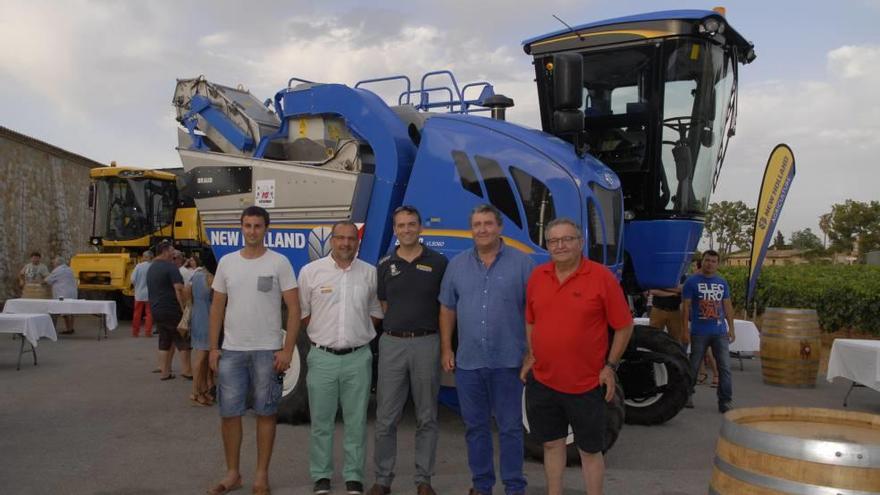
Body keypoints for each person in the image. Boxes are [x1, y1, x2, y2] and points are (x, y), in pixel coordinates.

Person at [520, 218, 633, 495]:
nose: (561, 245)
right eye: (554, 241)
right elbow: (531, 320)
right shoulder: (538, 276)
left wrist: (610, 366)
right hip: (544, 381)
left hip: (586, 384)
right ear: (547, 246)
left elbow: (624, 326)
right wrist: (531, 353)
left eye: (567, 239)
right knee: (551, 444)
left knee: (590, 450)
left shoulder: (601, 277)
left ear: (580, 243)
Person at [439, 204, 534, 495]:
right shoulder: (456, 264)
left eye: (488, 224)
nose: (482, 229)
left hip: (509, 362)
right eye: (477, 224)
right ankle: (482, 486)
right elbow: (447, 308)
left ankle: (514, 487)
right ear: (472, 229)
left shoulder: (523, 263)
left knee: (510, 429)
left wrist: (532, 352)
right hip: (469, 363)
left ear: (500, 227)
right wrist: (446, 348)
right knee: (475, 428)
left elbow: (534, 311)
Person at [207, 205, 301, 495]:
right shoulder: (227, 263)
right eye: (247, 226)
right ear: (241, 227)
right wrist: (213, 348)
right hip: (232, 352)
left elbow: (295, 309)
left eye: (257, 226)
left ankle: (261, 476)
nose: (252, 231)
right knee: (229, 414)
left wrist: (287, 350)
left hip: (267, 351)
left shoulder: (280, 262)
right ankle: (233, 474)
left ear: (266, 229)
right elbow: (217, 308)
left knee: (266, 414)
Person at [298, 221, 383, 495]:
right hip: (322, 358)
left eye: (351, 238)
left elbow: (375, 312)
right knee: (321, 422)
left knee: (356, 422)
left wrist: (356, 334)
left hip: (358, 358)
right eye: (340, 238)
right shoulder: (311, 272)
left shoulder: (370, 273)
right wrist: (323, 335)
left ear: (357, 242)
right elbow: (304, 313)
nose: (346, 243)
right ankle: (321, 475)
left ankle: (353, 477)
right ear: (331, 240)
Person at [368, 206, 448, 495]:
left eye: (411, 224)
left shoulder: (439, 263)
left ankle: (423, 480)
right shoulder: (385, 264)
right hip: (392, 344)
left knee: (427, 416)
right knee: (385, 417)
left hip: (427, 342)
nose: (406, 230)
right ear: (395, 230)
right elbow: (385, 305)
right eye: (400, 226)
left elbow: (445, 309)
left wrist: (445, 346)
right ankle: (382, 478)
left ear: (421, 227)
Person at [682, 250, 735, 413]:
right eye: (707, 260)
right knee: (694, 364)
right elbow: (685, 308)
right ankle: (687, 395)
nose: (709, 263)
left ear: (717, 264)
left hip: (719, 332)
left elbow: (727, 305)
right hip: (699, 332)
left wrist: (731, 328)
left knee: (725, 367)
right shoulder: (692, 282)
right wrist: (685, 330)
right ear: (702, 261)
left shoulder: (722, 282)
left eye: (713, 261)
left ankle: (725, 401)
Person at [147, 240, 193, 381]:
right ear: (165, 251)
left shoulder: (152, 267)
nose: (174, 253)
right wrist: (184, 308)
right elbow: (179, 289)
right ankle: (187, 370)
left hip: (156, 308)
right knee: (182, 338)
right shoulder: (171, 267)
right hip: (171, 308)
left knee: (164, 340)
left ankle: (165, 372)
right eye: (172, 250)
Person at [188, 259, 214, 407]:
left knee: (202, 357)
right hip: (207, 316)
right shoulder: (210, 277)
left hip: (198, 313)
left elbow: (186, 290)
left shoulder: (196, 274)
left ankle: (202, 390)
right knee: (201, 357)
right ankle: (195, 392)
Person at [45, 256, 78, 334]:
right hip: (72, 292)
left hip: (63, 293)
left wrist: (41, 282)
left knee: (64, 311)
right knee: (71, 311)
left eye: (54, 262)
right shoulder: (69, 269)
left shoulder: (57, 270)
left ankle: (68, 329)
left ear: (57, 263)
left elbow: (48, 280)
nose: (53, 263)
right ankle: (71, 328)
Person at [131, 250, 154, 338]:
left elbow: (132, 279)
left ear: (146, 257)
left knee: (137, 313)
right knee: (149, 314)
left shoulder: (138, 266)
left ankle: (135, 332)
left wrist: (136, 286)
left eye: (144, 256)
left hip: (139, 294)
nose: (143, 258)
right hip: (150, 294)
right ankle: (148, 332)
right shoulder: (153, 267)